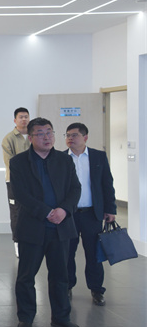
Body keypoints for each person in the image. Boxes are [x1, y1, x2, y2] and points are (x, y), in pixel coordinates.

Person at [10, 117, 82, 327]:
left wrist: (64, 210)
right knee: (26, 277)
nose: (46, 137)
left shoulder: (64, 160)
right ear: (31, 137)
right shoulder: (19, 162)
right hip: (32, 228)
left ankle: (61, 317)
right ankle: (26, 318)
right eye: (40, 133)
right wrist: (47, 212)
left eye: (49, 132)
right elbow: (20, 194)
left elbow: (75, 189)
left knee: (61, 276)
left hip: (61, 228)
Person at [64, 122, 117, 306]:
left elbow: (107, 184)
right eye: (67, 135)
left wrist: (110, 209)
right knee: (67, 253)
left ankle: (96, 290)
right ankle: (67, 286)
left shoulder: (98, 157)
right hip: (68, 215)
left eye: (74, 135)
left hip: (92, 214)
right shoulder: (60, 158)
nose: (70, 138)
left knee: (94, 254)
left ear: (85, 137)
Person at [2, 107, 31, 257]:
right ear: (15, 120)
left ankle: (32, 241)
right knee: (16, 212)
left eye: (26, 116)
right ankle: (17, 243)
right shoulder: (9, 138)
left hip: (34, 182)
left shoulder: (34, 135)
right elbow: (10, 162)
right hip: (14, 181)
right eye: (21, 117)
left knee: (33, 210)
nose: (24, 119)